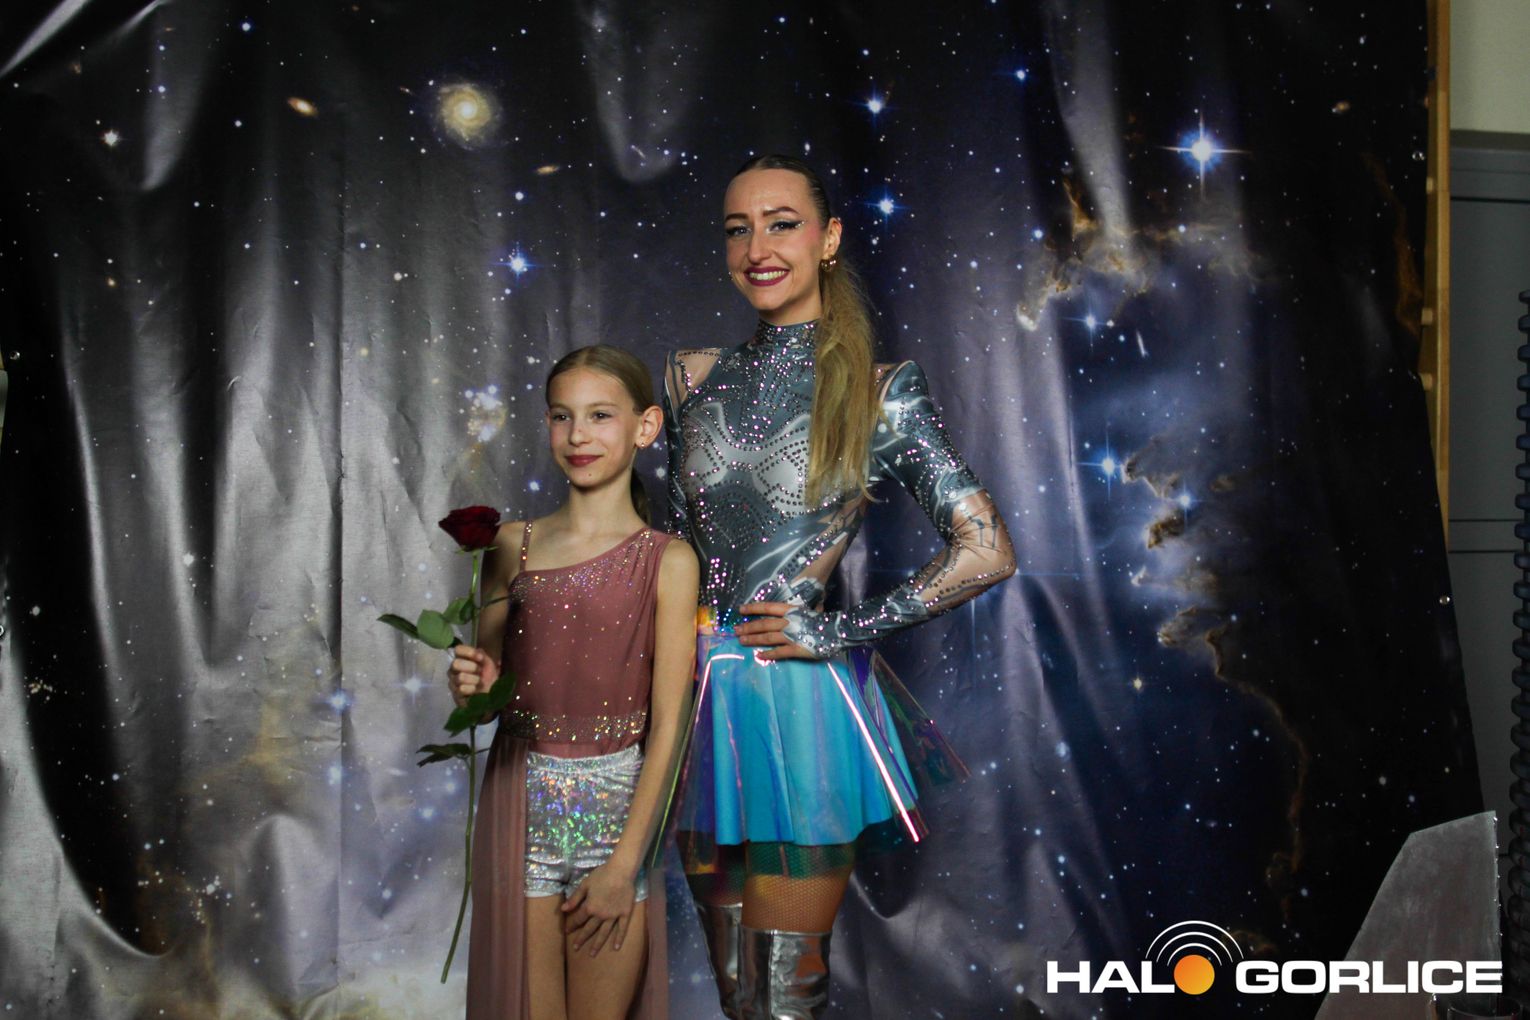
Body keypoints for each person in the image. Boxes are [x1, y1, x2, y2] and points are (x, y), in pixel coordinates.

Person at [663, 154, 1017, 1019]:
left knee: (784, 998)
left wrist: (838, 629)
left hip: (797, 707)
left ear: (828, 239)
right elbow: (668, 553)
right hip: (693, 703)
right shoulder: (690, 379)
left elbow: (986, 550)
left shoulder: (882, 390)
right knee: (737, 998)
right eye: (738, 229)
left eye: (781, 224)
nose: (758, 248)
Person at [448, 345, 700, 1020]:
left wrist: (626, 864)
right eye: (562, 416)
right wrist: (470, 685)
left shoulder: (669, 560)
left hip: (617, 822)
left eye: (599, 416)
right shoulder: (511, 545)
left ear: (646, 426)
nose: (578, 435)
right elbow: (483, 697)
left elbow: (670, 728)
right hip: (521, 808)